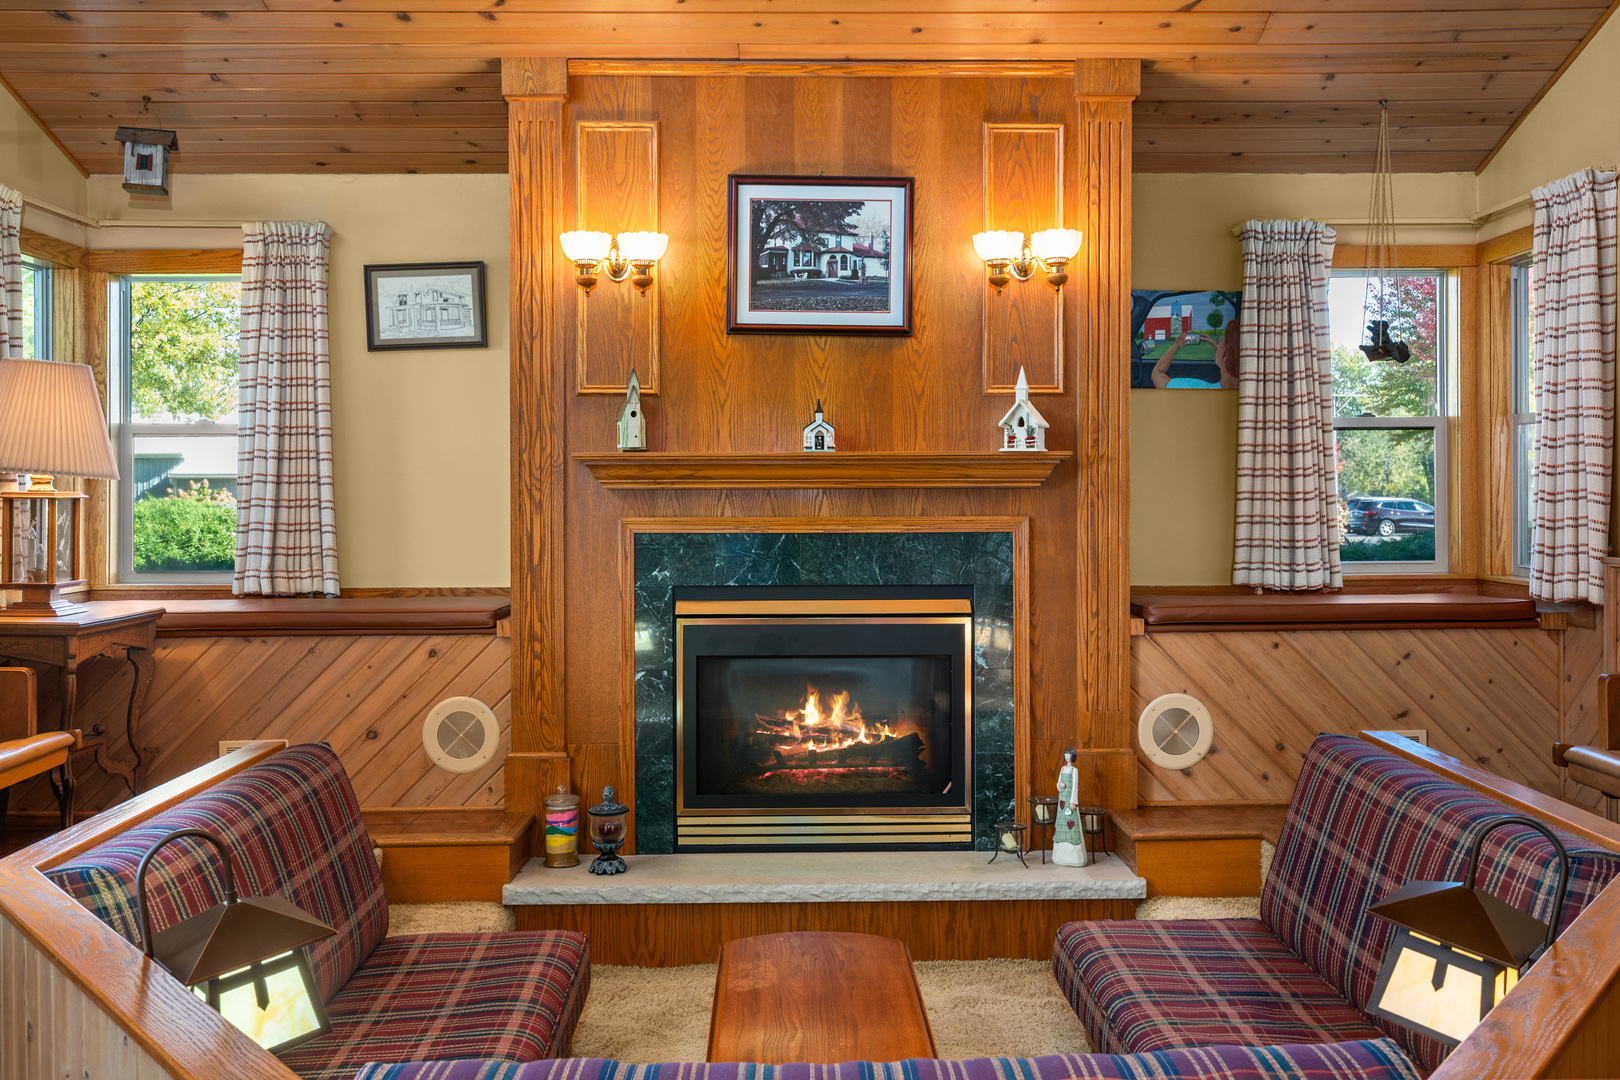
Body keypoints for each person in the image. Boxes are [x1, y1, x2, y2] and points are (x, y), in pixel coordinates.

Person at [1150, 318, 1242, 389]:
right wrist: (1216, 346)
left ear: (1225, 353)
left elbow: (1157, 373)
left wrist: (1176, 345)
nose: (1219, 343)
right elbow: (1231, 358)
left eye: (1222, 339)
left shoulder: (1195, 387)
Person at [1053, 747, 1089, 867]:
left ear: (1073, 757)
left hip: (1069, 801)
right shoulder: (1063, 768)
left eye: (1069, 755)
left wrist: (1073, 802)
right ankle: (1060, 855)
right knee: (1061, 824)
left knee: (1072, 823)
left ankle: (1075, 856)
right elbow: (1058, 784)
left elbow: (1075, 787)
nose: (1067, 757)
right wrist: (1060, 785)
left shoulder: (1074, 770)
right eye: (1066, 755)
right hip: (1062, 800)